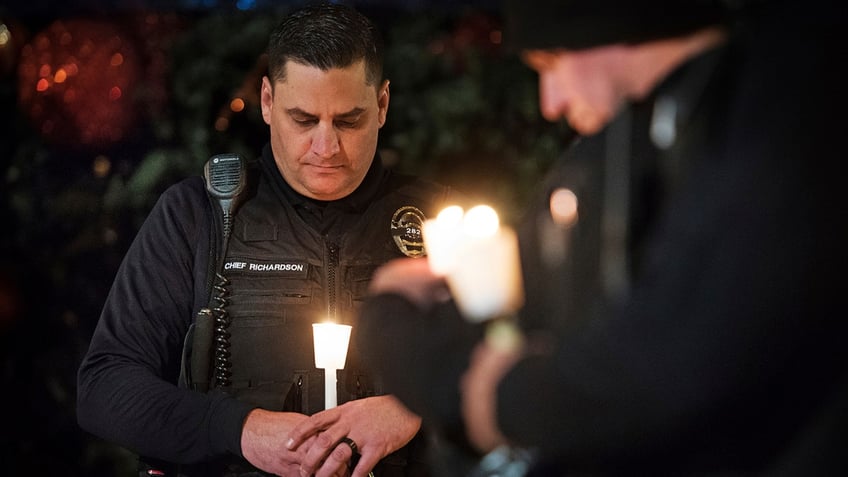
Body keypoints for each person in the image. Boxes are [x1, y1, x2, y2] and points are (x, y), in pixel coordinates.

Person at [347, 0, 848, 474]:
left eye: (551, 64)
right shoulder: (641, 137)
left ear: (602, 31)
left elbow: (664, 365)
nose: (550, 102)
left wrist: (480, 392)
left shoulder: (777, 120)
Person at [77, 4, 462, 477]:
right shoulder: (197, 215)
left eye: (348, 120)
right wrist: (240, 430)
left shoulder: (443, 222)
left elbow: (527, 369)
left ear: (382, 105)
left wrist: (412, 410)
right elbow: (105, 387)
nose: (326, 147)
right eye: (303, 120)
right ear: (266, 101)